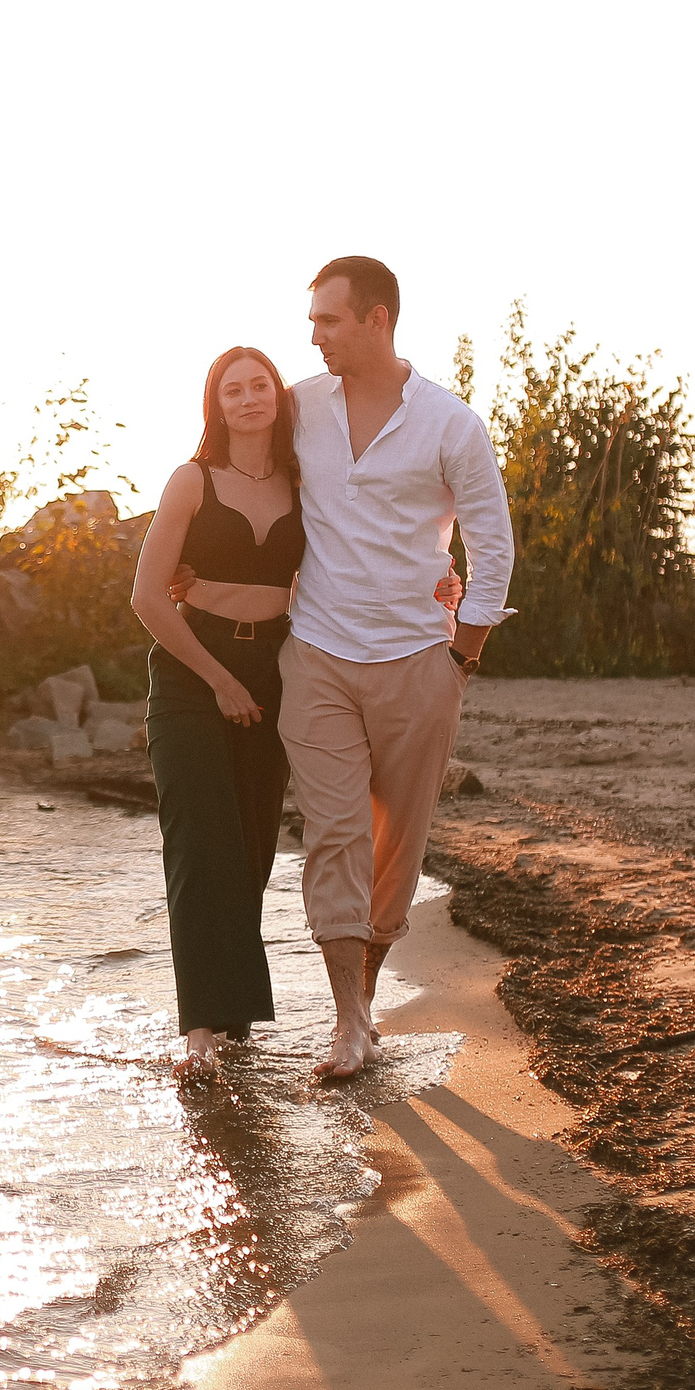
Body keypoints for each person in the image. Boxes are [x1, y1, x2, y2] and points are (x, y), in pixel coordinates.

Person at [129, 347, 462, 1083]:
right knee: (197, 843)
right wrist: (216, 678)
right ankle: (200, 1038)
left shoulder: (303, 479)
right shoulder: (191, 481)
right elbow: (149, 597)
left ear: (277, 399)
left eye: (259, 386)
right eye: (232, 388)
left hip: (277, 665)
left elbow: (373, 537)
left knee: (249, 843)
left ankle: (237, 1017)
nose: (248, 398)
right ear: (213, 402)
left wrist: (441, 578)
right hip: (193, 670)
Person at [277, 256, 515, 1080]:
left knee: (395, 848)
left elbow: (492, 541)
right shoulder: (299, 406)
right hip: (316, 657)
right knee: (335, 833)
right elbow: (238, 472)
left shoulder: (452, 425)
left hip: (419, 660)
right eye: (313, 321)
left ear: (376, 320)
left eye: (329, 320)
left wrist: (463, 655)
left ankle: (365, 1005)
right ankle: (348, 1023)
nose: (314, 335)